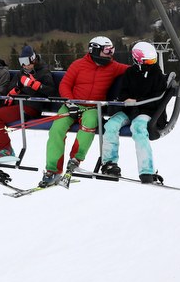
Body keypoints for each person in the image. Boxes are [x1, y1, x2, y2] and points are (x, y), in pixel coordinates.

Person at [40, 36, 129, 188]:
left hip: (93, 107)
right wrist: (70, 102)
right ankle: (52, 170)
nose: (111, 53)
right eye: (107, 50)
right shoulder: (78, 65)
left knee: (89, 123)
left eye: (112, 50)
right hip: (71, 105)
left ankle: (75, 159)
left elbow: (133, 71)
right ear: (95, 50)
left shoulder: (113, 67)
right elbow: (65, 84)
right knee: (57, 129)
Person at [99, 41, 168, 184]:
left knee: (138, 127)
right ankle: (109, 164)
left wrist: (137, 100)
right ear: (137, 60)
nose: (151, 63)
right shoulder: (130, 74)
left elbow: (157, 99)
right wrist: (126, 100)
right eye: (147, 61)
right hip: (129, 110)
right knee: (111, 125)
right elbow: (123, 92)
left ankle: (146, 171)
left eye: (153, 60)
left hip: (148, 111)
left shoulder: (158, 76)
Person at [0, 45, 57, 166]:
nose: (24, 66)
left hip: (31, 107)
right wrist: (15, 89)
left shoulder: (43, 71)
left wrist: (37, 86)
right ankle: (1, 152)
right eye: (22, 62)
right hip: (19, 104)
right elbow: (11, 86)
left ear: (33, 59)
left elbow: (53, 92)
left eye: (27, 62)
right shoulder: (22, 72)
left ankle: (6, 150)